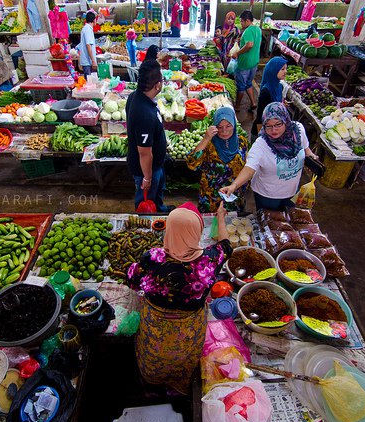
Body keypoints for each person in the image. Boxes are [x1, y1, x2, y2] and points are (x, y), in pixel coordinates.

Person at [127, 202, 231, 394]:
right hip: (189, 329)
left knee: (154, 358)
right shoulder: (210, 259)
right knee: (182, 361)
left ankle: (151, 387)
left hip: (155, 327)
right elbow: (225, 244)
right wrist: (221, 217)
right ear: (197, 232)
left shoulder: (152, 257)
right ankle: (177, 389)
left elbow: (133, 280)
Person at [220, 102, 319, 211]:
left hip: (292, 191)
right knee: (268, 224)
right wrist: (234, 185)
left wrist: (312, 158)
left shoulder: (298, 131)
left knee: (288, 221)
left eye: (278, 124)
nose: (274, 130)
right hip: (267, 195)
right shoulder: (261, 144)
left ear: (286, 120)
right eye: (268, 126)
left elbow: (306, 149)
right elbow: (249, 169)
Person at [126, 45, 170, 212]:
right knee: (145, 199)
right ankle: (146, 224)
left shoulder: (136, 96)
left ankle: (160, 207)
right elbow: (145, 153)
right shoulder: (144, 114)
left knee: (157, 193)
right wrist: (147, 178)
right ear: (157, 85)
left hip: (156, 164)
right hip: (145, 168)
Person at [187, 106, 248, 213]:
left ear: (234, 124)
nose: (224, 131)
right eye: (219, 127)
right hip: (211, 198)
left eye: (228, 126)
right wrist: (206, 138)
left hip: (234, 196)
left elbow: (247, 167)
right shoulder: (209, 144)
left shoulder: (242, 142)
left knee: (233, 226)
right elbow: (192, 164)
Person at [232, 10, 261, 112]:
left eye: (242, 22)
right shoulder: (258, 29)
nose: (241, 24)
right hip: (254, 62)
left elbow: (249, 44)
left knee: (240, 86)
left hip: (245, 63)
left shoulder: (248, 31)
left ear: (247, 21)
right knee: (248, 83)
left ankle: (237, 106)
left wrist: (237, 53)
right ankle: (253, 103)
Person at [252, 57, 288, 139]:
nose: (285, 71)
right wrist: (263, 136)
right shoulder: (266, 91)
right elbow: (261, 116)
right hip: (263, 131)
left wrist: (281, 105)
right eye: (282, 69)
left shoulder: (279, 86)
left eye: (286, 68)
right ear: (273, 70)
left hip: (273, 130)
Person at [79, 11, 97, 77]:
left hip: (88, 61)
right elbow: (88, 45)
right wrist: (93, 61)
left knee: (90, 82)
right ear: (94, 20)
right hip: (87, 62)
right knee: (89, 83)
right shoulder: (87, 29)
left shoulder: (87, 29)